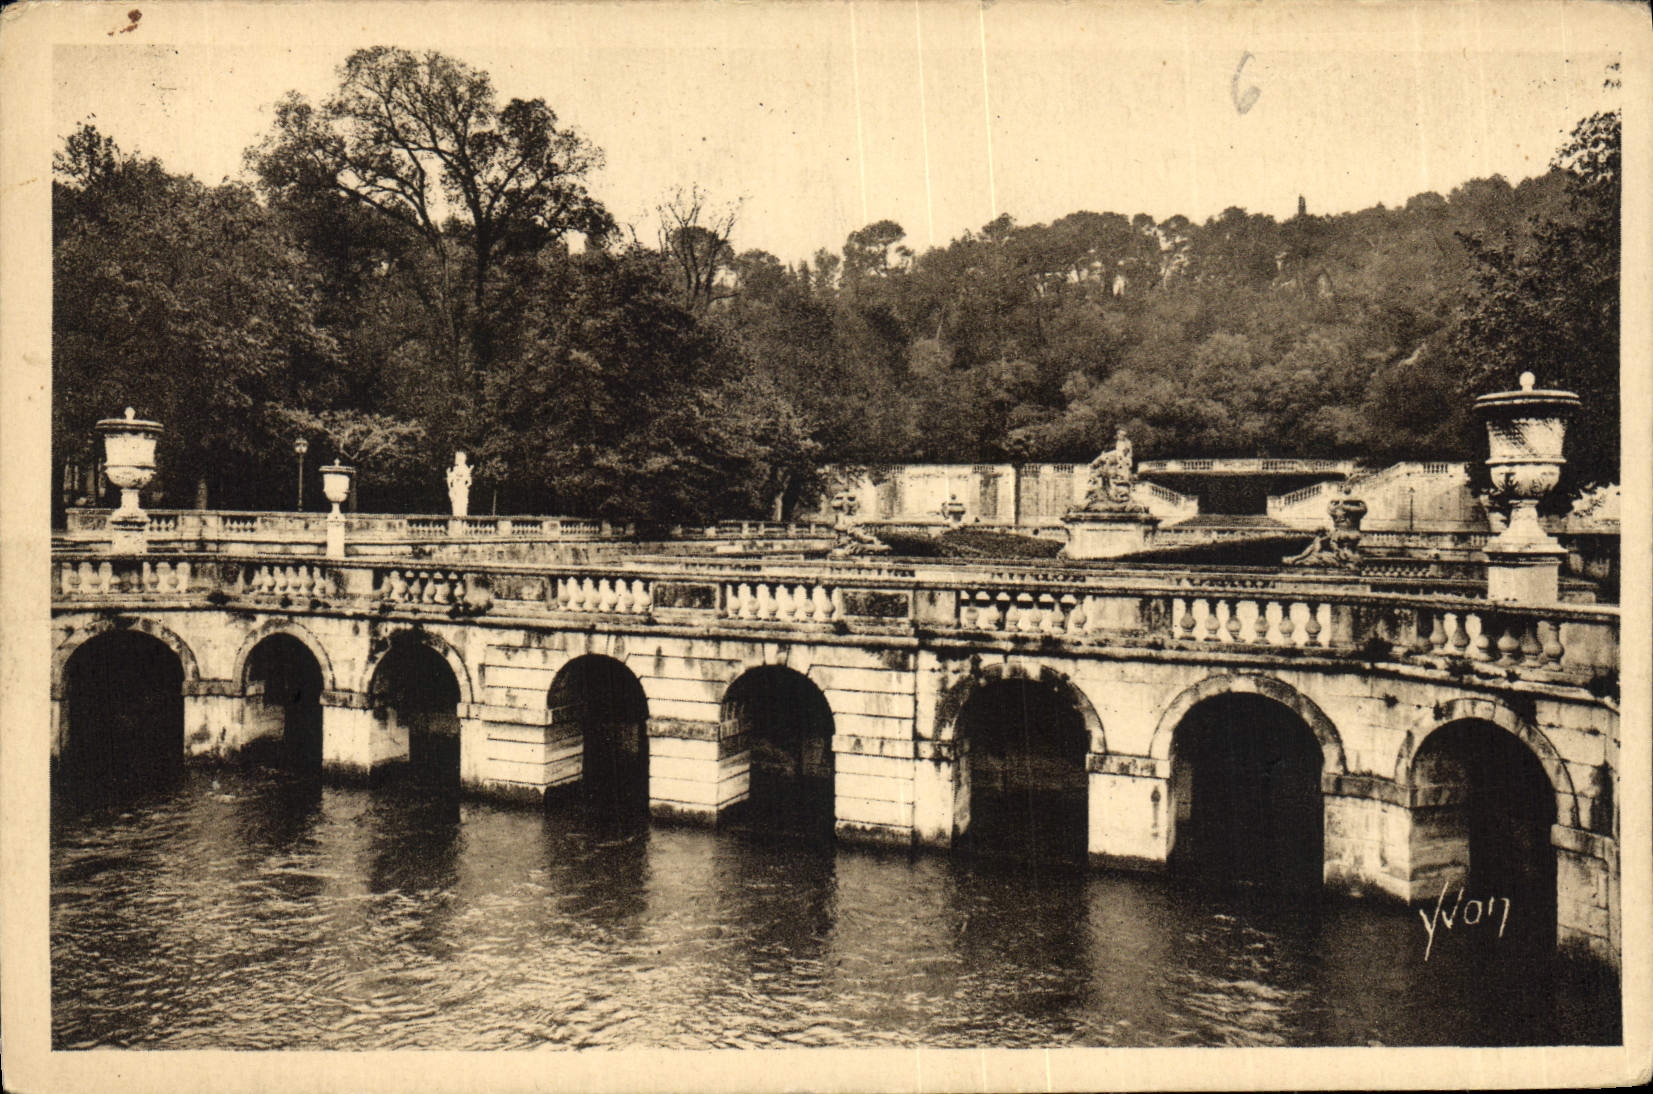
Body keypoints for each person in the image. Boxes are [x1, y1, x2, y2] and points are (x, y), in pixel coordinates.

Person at [446, 452, 473, 517]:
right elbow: (450, 479)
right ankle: (457, 519)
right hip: (456, 489)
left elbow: (469, 482)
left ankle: (462, 520)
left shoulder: (465, 469)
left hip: (461, 490)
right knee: (456, 505)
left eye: (456, 458)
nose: (455, 460)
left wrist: (464, 487)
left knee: (462, 504)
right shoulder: (456, 469)